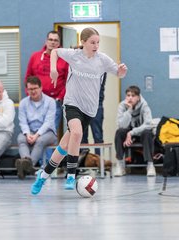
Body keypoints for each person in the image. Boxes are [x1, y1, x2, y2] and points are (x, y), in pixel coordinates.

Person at [31, 27, 127, 195]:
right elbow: (54, 52)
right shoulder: (74, 56)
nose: (96, 45)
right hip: (72, 103)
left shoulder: (102, 60)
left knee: (64, 146)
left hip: (89, 109)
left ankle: (43, 175)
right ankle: (71, 174)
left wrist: (122, 72)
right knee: (77, 133)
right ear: (83, 42)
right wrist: (53, 69)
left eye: (98, 42)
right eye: (92, 42)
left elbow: (118, 73)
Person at [25, 30, 68, 130]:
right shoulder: (35, 57)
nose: (53, 42)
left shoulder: (65, 60)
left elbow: (68, 82)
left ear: (59, 43)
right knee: (35, 132)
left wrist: (60, 97)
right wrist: (30, 94)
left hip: (55, 102)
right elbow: (28, 78)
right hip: (36, 101)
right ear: (46, 41)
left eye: (55, 40)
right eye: (50, 39)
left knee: (49, 133)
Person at [16, 76, 57, 179]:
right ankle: (26, 163)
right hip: (29, 131)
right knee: (21, 139)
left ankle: (26, 166)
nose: (33, 91)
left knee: (40, 141)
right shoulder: (23, 103)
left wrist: (37, 135)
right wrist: (28, 134)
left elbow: (48, 122)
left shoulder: (50, 101)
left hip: (48, 133)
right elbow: (23, 122)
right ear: (27, 90)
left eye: (35, 88)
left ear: (41, 88)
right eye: (30, 89)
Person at [114, 85, 155, 177]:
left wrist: (131, 133)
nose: (130, 98)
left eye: (133, 95)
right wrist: (129, 110)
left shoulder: (144, 105)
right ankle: (120, 165)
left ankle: (150, 165)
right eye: (128, 95)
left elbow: (148, 124)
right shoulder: (122, 106)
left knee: (148, 133)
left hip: (140, 132)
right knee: (119, 132)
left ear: (138, 97)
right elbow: (121, 125)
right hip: (128, 131)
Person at [81, 73, 106, 155]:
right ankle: (83, 162)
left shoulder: (101, 66)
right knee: (82, 136)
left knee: (98, 136)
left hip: (96, 105)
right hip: (82, 105)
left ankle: (99, 162)